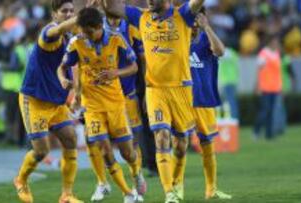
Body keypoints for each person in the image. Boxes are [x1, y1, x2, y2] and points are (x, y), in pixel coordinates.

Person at [102, 0, 205, 202]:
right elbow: (112, 8)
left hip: (181, 88)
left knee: (181, 143)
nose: (149, 1)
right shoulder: (141, 16)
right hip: (155, 89)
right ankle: (169, 193)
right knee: (161, 136)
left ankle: (177, 182)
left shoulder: (182, 14)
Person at [58, 7, 145, 203]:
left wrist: (116, 73)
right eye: (83, 32)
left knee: (127, 152)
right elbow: (62, 67)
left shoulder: (116, 39)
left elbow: (134, 67)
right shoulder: (77, 43)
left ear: (99, 27)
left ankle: (136, 172)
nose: (86, 36)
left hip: (115, 103)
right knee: (104, 149)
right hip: (93, 106)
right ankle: (127, 193)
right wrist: (64, 80)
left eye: (89, 32)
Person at [12, 0, 83, 203]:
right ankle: (20, 180)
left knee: (70, 139)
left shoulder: (71, 39)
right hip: (34, 100)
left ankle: (66, 195)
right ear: (54, 15)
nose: (69, 14)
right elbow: (61, 28)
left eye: (71, 10)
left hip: (56, 102)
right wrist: (85, 13)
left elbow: (74, 64)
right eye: (64, 11)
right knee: (42, 151)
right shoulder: (49, 33)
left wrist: (76, 92)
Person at [86, 11, 147, 202]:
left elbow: (141, 61)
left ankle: (136, 173)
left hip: (127, 94)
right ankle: (103, 183)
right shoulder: (95, 26)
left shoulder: (130, 29)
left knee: (130, 145)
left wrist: (145, 90)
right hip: (97, 98)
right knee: (97, 142)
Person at [187, 9, 232, 200]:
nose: (195, 22)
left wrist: (207, 27)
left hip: (203, 100)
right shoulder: (176, 37)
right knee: (175, 144)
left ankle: (211, 190)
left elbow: (220, 51)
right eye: (193, 18)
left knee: (208, 145)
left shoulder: (206, 38)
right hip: (180, 99)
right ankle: (173, 190)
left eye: (199, 18)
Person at [254, 34, 282, 140]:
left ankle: (269, 134)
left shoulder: (277, 53)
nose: (276, 43)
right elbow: (258, 70)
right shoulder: (263, 53)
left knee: (271, 112)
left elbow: (278, 73)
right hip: (265, 87)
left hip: (275, 87)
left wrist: (280, 86)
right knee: (264, 111)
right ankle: (256, 131)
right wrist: (257, 86)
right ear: (270, 42)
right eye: (275, 41)